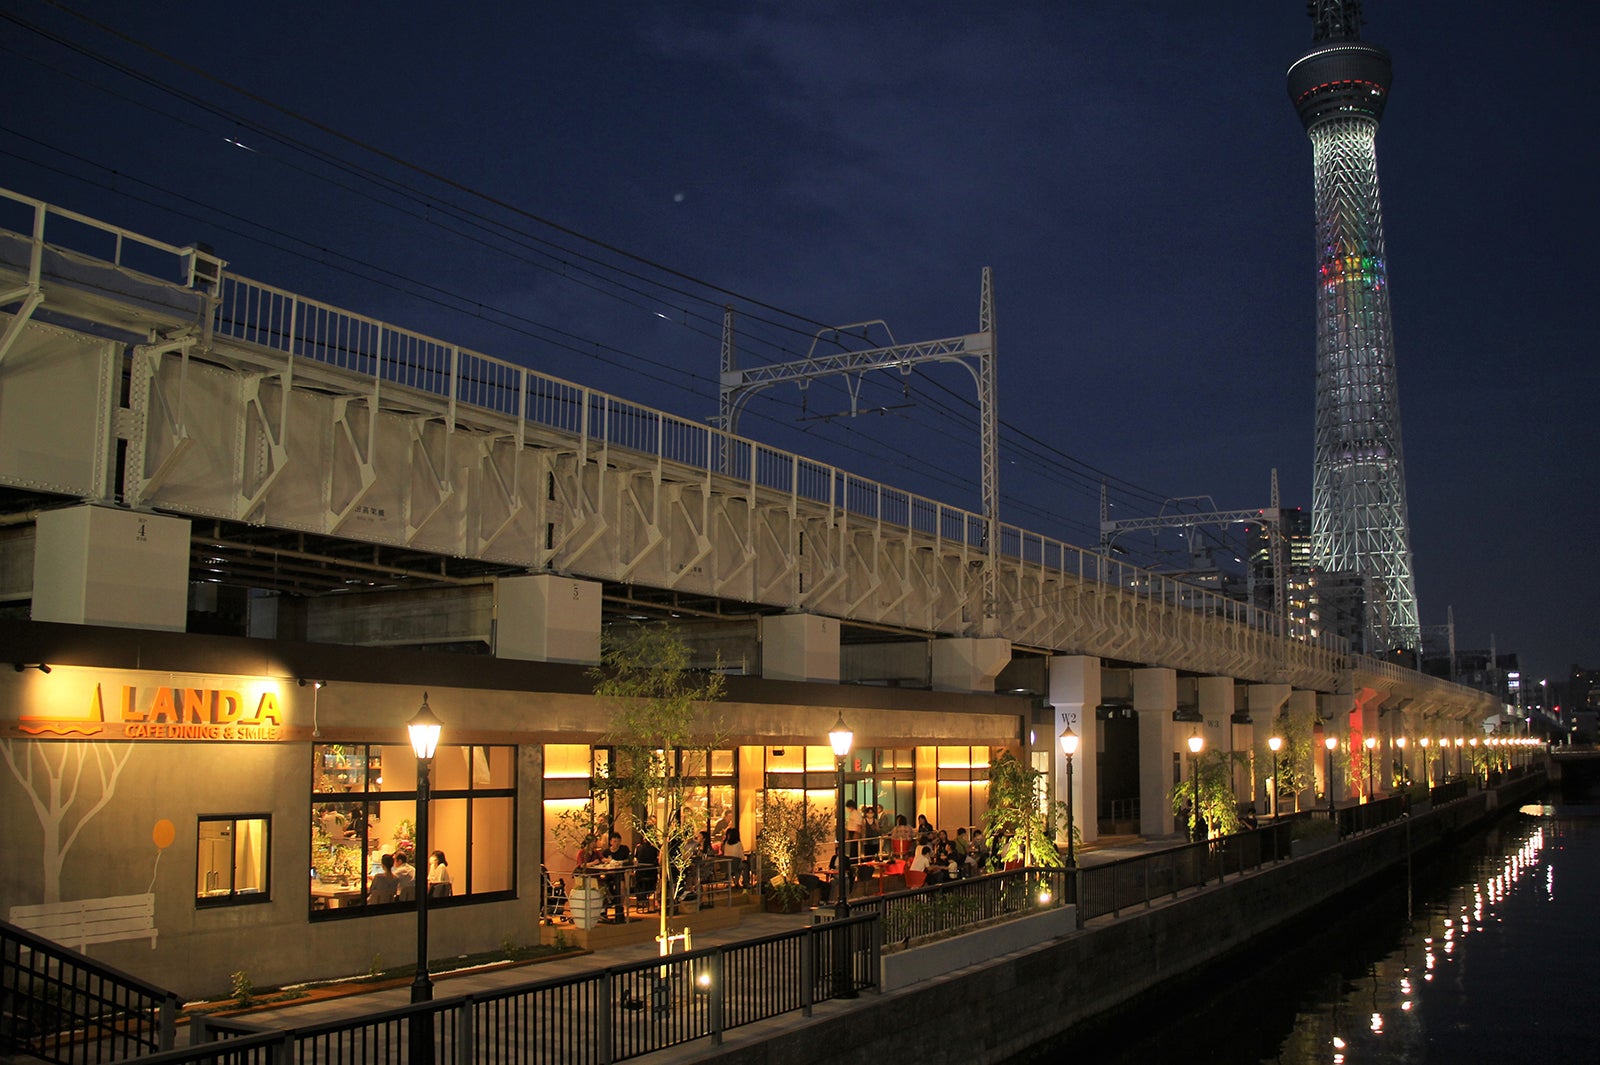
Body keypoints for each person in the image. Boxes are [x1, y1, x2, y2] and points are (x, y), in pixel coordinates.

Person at [602, 831, 631, 921]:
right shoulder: (606, 852)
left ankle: (620, 908)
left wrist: (621, 862)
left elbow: (629, 859)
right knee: (604, 888)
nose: (616, 843)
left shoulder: (624, 849)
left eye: (618, 841)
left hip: (620, 874)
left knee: (622, 888)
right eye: (614, 841)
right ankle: (604, 910)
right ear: (610, 842)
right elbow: (602, 860)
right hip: (609, 875)